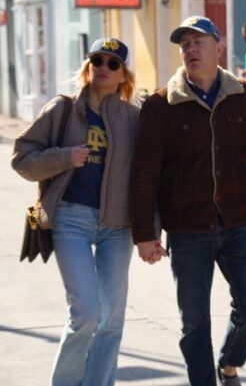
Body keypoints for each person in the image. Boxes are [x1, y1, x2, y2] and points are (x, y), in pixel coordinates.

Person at [129, 16, 246, 386]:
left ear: (218, 47)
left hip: (239, 221)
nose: (191, 49)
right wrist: (144, 233)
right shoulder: (160, 105)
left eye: (199, 42)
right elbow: (144, 173)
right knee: (194, 321)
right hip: (188, 230)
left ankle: (229, 363)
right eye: (185, 44)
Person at [12, 38, 140, 386]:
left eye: (113, 63)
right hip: (71, 219)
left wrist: (150, 230)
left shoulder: (133, 117)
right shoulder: (63, 109)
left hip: (118, 226)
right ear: (87, 66)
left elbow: (148, 178)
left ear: (122, 75)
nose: (103, 67)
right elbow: (21, 157)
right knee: (86, 313)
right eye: (97, 60)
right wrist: (64, 157)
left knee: (111, 320)